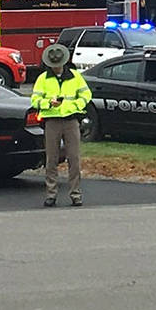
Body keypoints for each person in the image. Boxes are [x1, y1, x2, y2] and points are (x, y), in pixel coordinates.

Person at [31, 43, 92, 207]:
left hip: (71, 120)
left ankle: (75, 194)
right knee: (51, 159)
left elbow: (87, 94)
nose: (57, 67)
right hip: (52, 122)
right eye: (54, 64)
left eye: (59, 64)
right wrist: (48, 103)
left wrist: (76, 106)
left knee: (74, 159)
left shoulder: (75, 76)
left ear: (64, 62)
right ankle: (51, 194)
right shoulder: (43, 79)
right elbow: (34, 100)